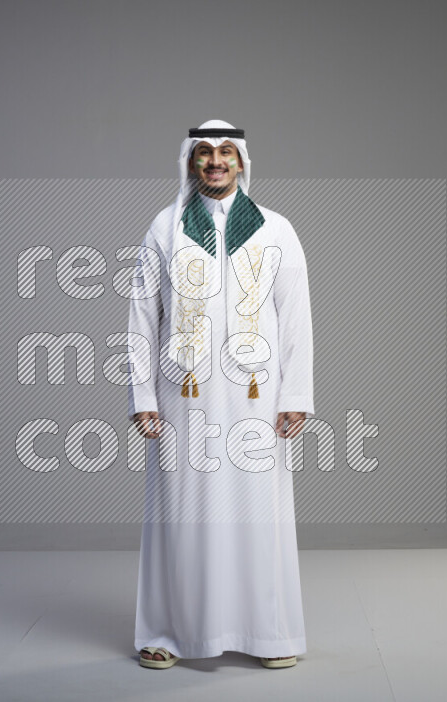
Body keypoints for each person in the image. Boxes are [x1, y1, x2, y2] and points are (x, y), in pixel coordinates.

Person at [126, 119, 314, 669]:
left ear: (242, 161)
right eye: (204, 153)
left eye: (226, 152)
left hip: (257, 398)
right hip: (181, 398)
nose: (215, 161)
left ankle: (268, 635)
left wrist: (295, 393)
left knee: (259, 518)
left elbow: (296, 316)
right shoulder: (165, 228)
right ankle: (167, 632)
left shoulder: (276, 231)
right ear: (190, 162)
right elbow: (141, 316)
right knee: (179, 516)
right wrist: (142, 396)